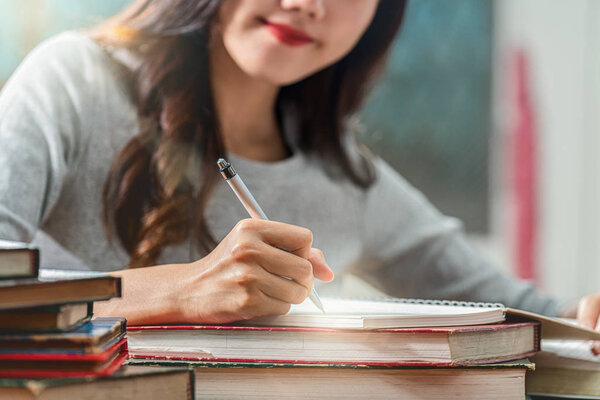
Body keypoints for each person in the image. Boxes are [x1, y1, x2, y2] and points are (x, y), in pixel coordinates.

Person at [1, 0, 600, 341]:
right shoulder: (75, 80)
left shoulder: (345, 176)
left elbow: (530, 313)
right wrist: (177, 290)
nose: (307, 4)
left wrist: (583, 317)